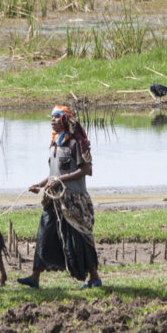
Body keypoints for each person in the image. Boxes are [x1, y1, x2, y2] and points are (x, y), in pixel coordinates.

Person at [17, 104, 102, 290]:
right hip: (54, 199)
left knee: (80, 236)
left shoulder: (76, 143)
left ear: (65, 120)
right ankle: (35, 276)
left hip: (73, 200)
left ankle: (94, 277)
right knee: (45, 233)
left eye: (56, 117)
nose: (52, 120)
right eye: (51, 117)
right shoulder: (55, 143)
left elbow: (86, 170)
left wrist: (60, 180)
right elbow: (53, 173)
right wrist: (40, 185)